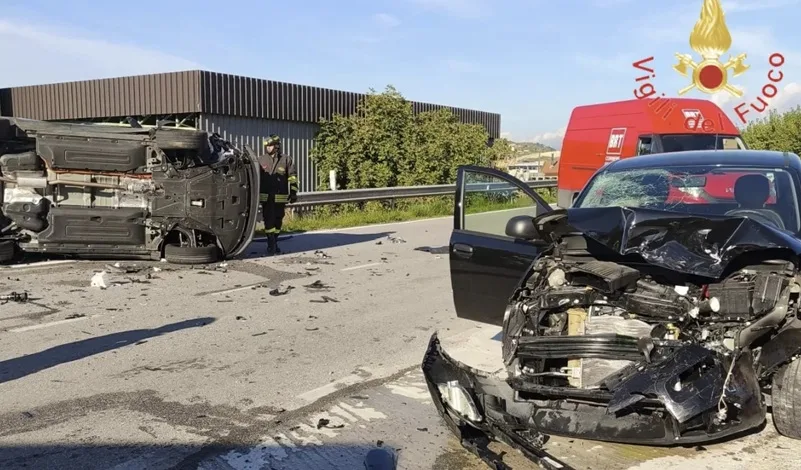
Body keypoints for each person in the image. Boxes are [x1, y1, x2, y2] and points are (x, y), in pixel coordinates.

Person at [258, 134, 298, 255]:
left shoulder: (286, 159)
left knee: (278, 220)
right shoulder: (261, 160)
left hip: (280, 197)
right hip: (266, 197)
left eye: (270, 145)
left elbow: (293, 177)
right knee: (268, 220)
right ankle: (271, 243)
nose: (268, 148)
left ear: (276, 146)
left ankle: (275, 240)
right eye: (266, 146)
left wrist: (293, 193)